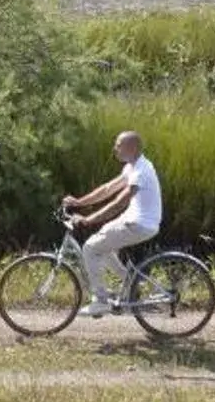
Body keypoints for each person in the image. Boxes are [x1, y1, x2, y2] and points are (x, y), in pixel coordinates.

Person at [64, 131, 161, 308]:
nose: (114, 149)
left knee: (90, 248)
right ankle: (131, 283)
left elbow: (119, 202)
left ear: (131, 148)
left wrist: (88, 219)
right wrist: (79, 202)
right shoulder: (132, 166)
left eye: (118, 145)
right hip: (134, 220)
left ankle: (100, 299)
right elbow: (108, 189)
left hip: (139, 225)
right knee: (103, 245)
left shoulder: (141, 171)